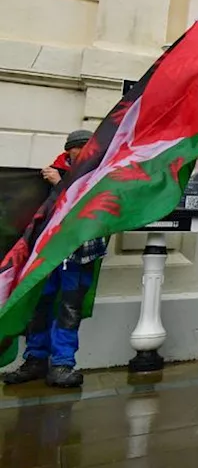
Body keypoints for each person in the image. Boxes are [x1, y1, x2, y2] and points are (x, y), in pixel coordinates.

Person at [2, 130, 107, 389]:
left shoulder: (100, 172)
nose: (83, 151)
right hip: (46, 254)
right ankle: (35, 359)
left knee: (69, 309)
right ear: (68, 150)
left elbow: (87, 204)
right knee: (40, 305)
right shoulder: (52, 171)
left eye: (87, 146)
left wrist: (59, 183)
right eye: (78, 147)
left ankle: (62, 363)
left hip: (80, 253)